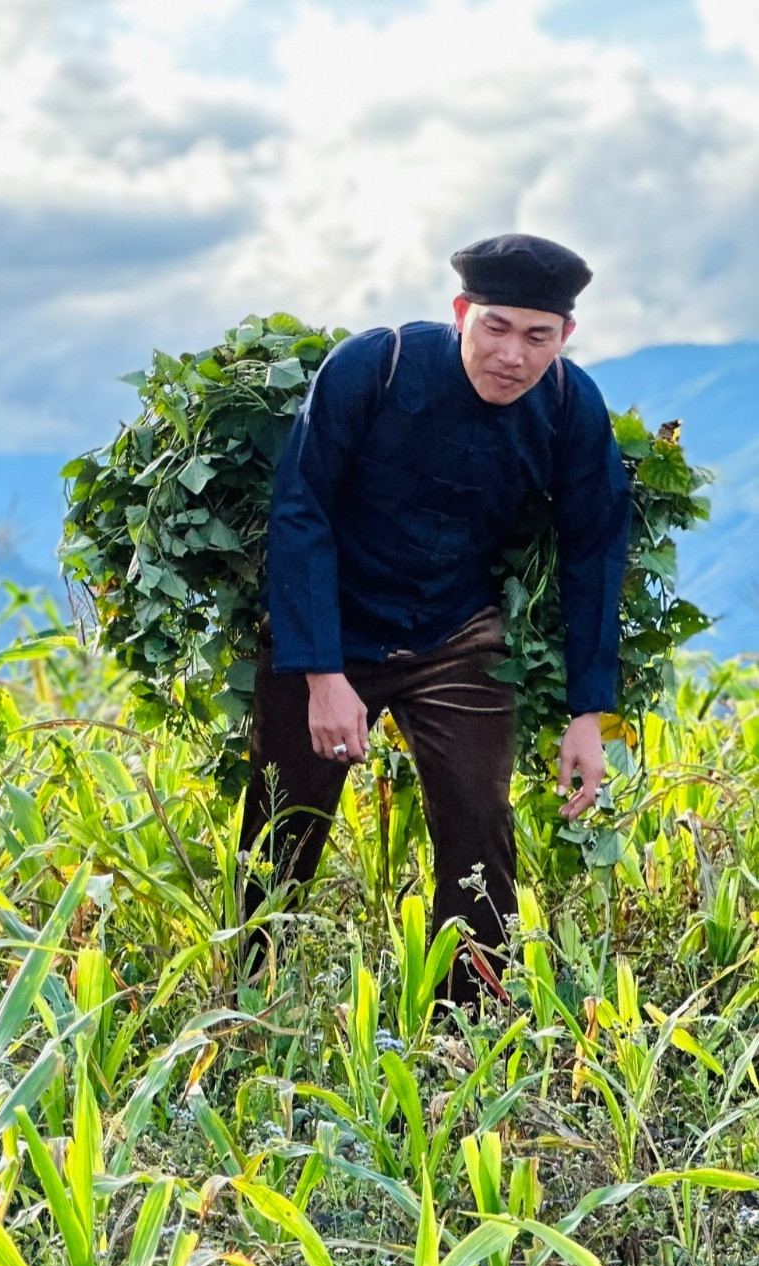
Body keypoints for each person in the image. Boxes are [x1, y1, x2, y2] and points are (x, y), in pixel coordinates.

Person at [244, 234, 631, 1004]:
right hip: (336, 627)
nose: (513, 356)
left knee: (480, 829)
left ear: (565, 338)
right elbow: (301, 511)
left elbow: (595, 551)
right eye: (496, 327)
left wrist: (591, 712)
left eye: (537, 337)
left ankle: (472, 1020)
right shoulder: (373, 367)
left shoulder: (568, 405)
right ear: (461, 313)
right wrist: (322, 674)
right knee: (280, 826)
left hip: (458, 633)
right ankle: (247, 998)